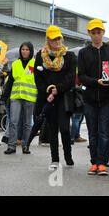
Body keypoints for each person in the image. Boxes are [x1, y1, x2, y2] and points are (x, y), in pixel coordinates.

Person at [78, 19, 109, 176]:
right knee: (92, 131)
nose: (96, 35)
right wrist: (97, 81)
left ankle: (102, 162)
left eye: (98, 32)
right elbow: (81, 76)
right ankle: (94, 162)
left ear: (103, 33)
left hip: (107, 98)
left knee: (105, 131)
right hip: (90, 98)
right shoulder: (83, 52)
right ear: (89, 33)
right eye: (93, 33)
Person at [34, 25, 76, 169]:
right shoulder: (40, 56)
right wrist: (48, 91)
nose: (57, 41)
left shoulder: (69, 56)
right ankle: (55, 159)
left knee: (64, 128)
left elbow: (71, 78)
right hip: (48, 98)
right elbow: (38, 78)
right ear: (48, 40)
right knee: (52, 129)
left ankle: (68, 155)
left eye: (58, 38)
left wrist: (58, 89)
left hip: (63, 97)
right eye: (53, 39)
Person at [2, 42, 36, 155]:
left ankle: (26, 146)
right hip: (15, 97)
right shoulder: (15, 64)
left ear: (30, 51)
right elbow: (11, 81)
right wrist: (5, 95)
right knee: (13, 122)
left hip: (29, 97)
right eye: (23, 49)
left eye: (27, 50)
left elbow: (39, 81)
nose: (24, 51)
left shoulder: (35, 64)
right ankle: (11, 146)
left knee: (27, 124)